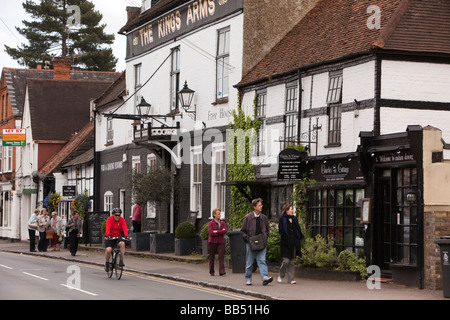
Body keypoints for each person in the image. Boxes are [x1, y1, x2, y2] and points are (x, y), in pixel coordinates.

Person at [240, 198, 273, 286]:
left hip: (262, 243)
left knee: (262, 261)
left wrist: (265, 238)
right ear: (254, 207)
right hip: (251, 243)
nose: (261, 206)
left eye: (261, 205)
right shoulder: (248, 217)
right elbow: (242, 231)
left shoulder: (264, 218)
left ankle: (265, 277)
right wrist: (248, 239)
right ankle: (248, 278)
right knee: (249, 262)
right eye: (259, 205)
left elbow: (267, 230)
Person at [278, 203, 304, 284]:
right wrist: (286, 238)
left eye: (292, 209)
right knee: (286, 261)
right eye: (291, 209)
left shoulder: (294, 219)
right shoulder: (282, 219)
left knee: (292, 261)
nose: (292, 210)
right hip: (285, 243)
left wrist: (297, 238)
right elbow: (281, 231)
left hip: (293, 243)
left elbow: (297, 230)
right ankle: (281, 275)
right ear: (286, 210)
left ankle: (291, 279)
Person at [104, 208, 129, 272]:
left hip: (118, 237)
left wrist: (126, 236)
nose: (117, 216)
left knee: (122, 244)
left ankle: (121, 260)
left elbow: (124, 228)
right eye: (116, 215)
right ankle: (107, 263)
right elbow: (108, 227)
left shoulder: (122, 220)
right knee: (109, 250)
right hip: (110, 237)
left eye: (119, 215)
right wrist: (108, 235)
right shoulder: (109, 219)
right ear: (113, 215)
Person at [208, 208, 227, 276]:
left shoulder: (222, 222)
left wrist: (217, 231)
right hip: (212, 242)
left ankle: (221, 271)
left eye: (220, 213)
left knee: (221, 256)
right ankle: (211, 271)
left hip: (220, 241)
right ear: (214, 215)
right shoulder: (210, 223)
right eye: (218, 214)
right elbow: (211, 233)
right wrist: (220, 231)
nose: (220, 215)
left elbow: (225, 231)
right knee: (212, 256)